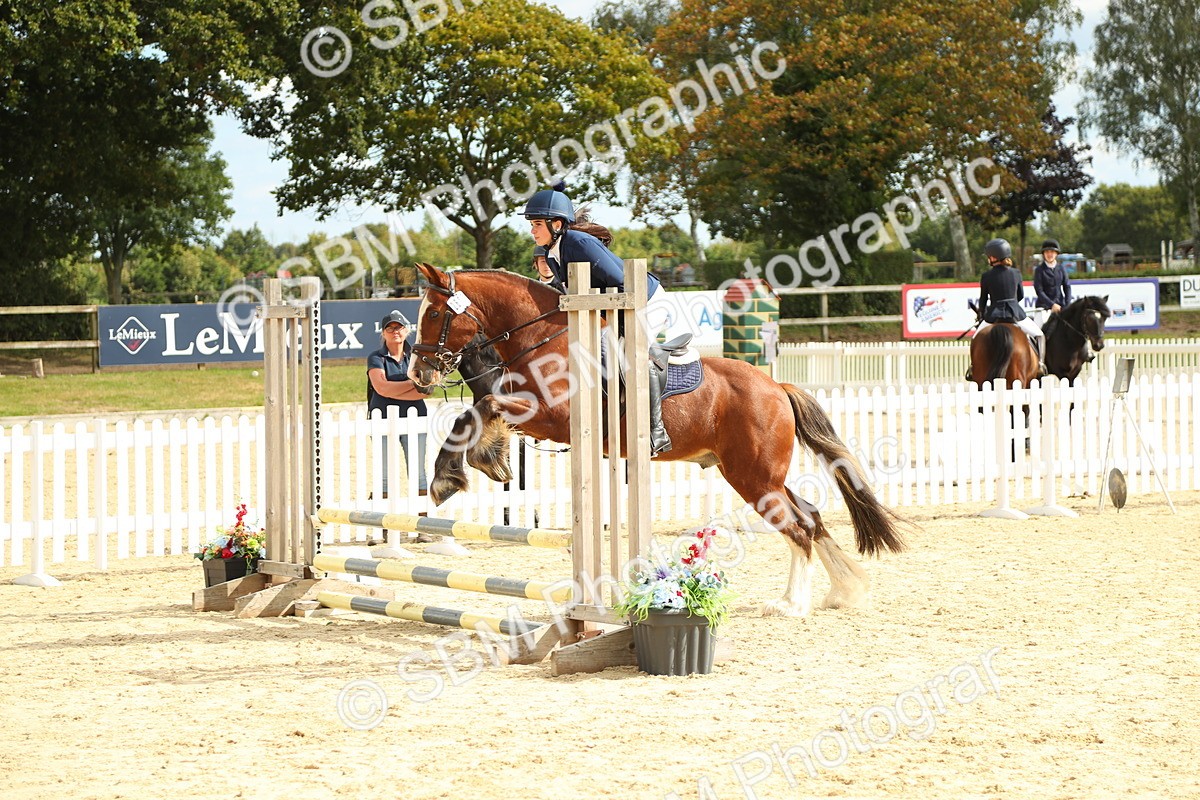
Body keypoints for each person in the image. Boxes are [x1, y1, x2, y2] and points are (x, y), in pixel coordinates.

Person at [522, 183, 672, 455]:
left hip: (645, 302)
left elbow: (621, 282)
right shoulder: (552, 253)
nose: (532, 231)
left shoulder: (579, 244)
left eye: (536, 224)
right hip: (614, 308)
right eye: (532, 225)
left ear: (556, 224)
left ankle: (656, 430)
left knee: (630, 355)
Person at [367, 310, 428, 497]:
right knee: (384, 474)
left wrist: (393, 390)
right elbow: (381, 388)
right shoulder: (376, 357)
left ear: (406, 331)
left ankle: (422, 515)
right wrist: (412, 384)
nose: (395, 331)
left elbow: (425, 391)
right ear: (383, 333)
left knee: (418, 472)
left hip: (415, 417)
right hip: (382, 418)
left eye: (399, 327)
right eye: (390, 328)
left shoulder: (417, 356)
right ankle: (384, 517)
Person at [974, 237, 1046, 376]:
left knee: (976, 338)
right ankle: (1041, 365)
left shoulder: (986, 276)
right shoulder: (1016, 273)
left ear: (993, 257)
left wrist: (982, 313)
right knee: (1039, 335)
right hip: (1015, 314)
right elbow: (1020, 296)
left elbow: (983, 300)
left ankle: (973, 367)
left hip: (993, 315)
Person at [1033, 238, 1071, 343]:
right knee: (1036, 332)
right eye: (1047, 252)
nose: (1050, 254)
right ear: (1044, 254)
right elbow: (1039, 291)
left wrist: (1067, 305)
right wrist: (1052, 305)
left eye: (1052, 252)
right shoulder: (1039, 270)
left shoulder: (1061, 268)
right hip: (1044, 307)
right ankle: (1038, 356)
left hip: (1061, 306)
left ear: (1056, 254)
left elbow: (1067, 287)